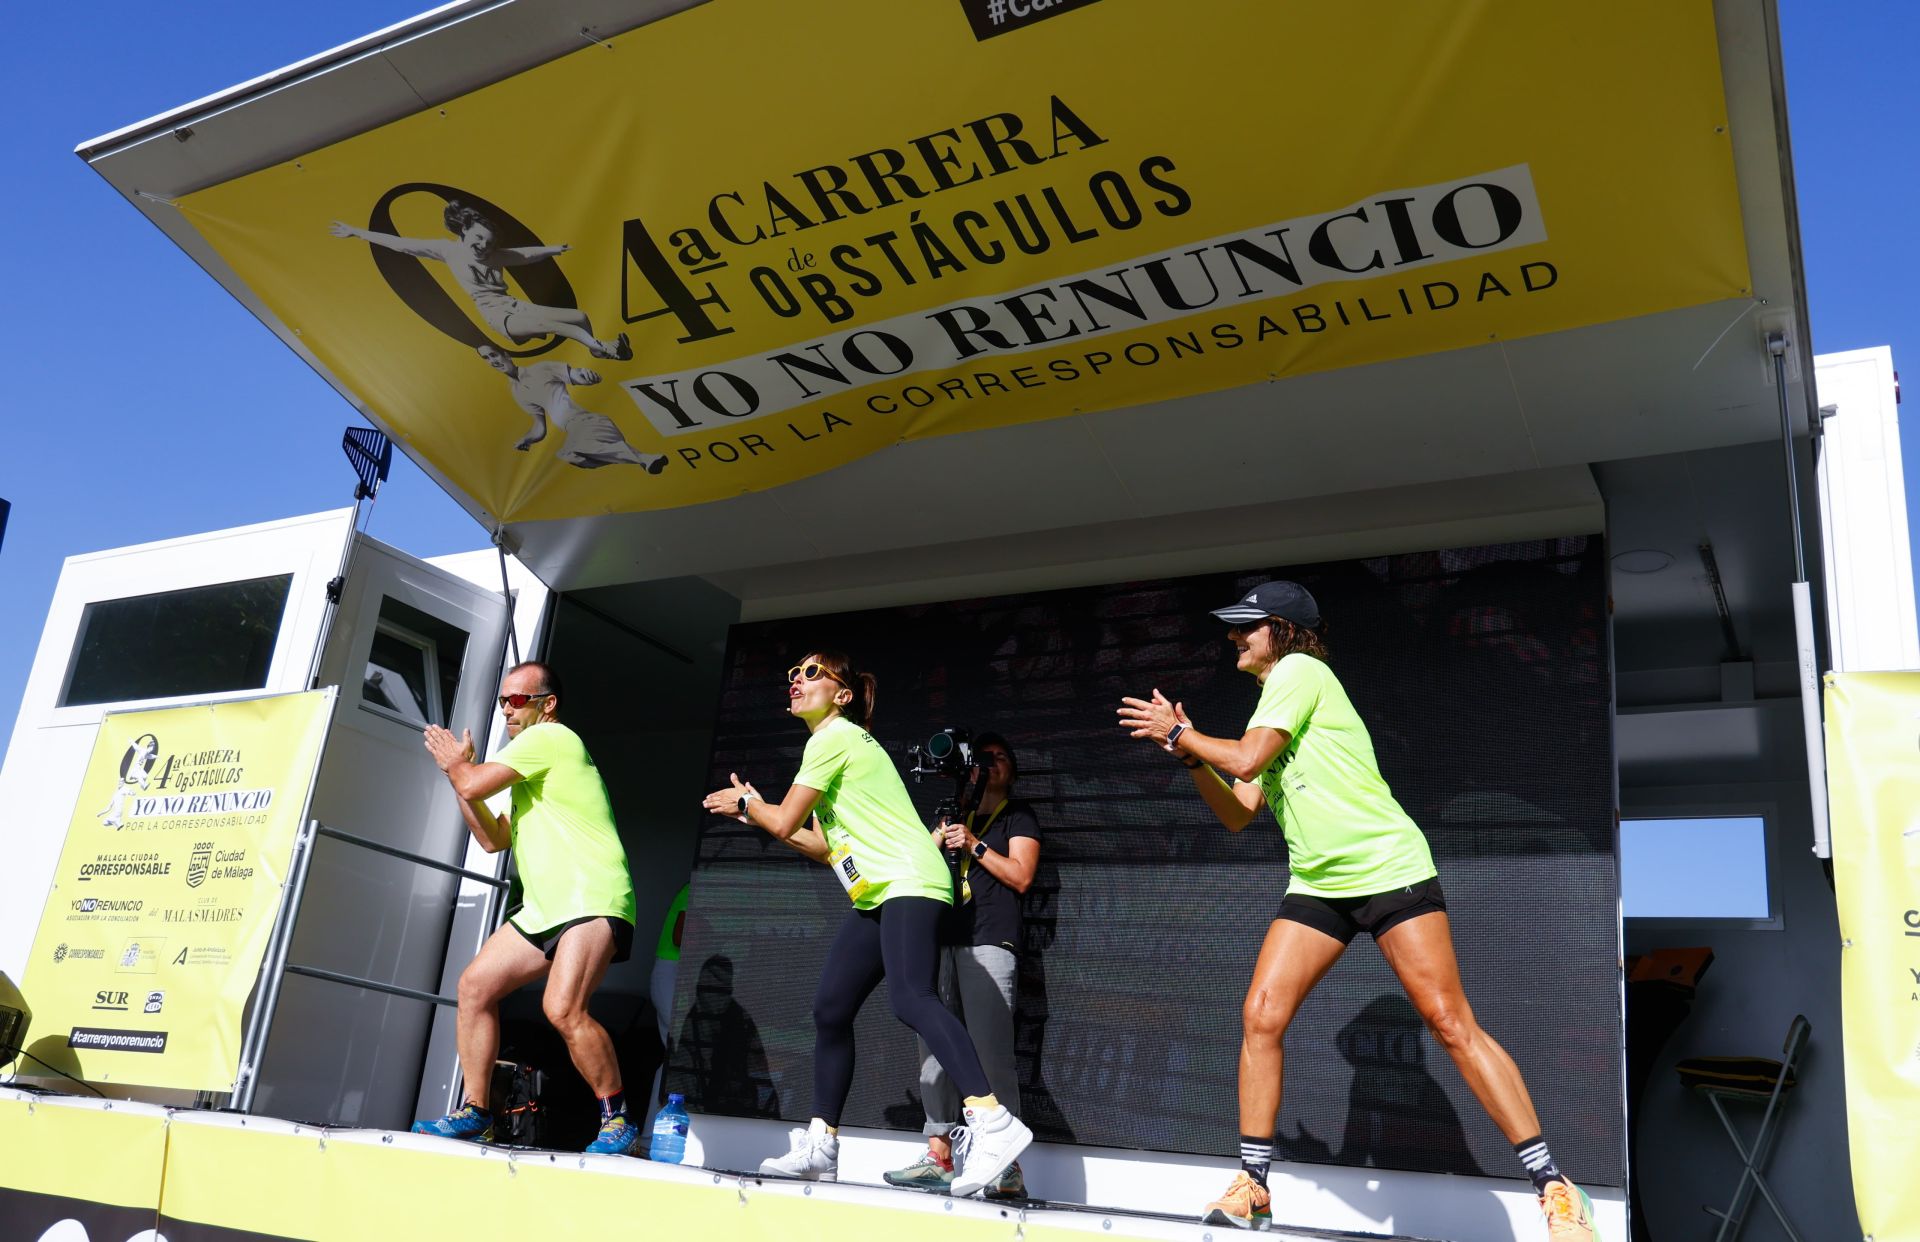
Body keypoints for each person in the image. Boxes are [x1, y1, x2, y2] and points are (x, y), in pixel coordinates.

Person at [1117, 581, 1598, 1240]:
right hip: (1318, 883)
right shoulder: (1273, 700)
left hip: (1388, 868)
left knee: (1451, 1024)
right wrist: (1188, 754)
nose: (1234, 636)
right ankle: (1253, 1184)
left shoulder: (1299, 671)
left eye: (1246, 627)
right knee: (1261, 1014)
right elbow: (1238, 810)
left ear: (1283, 631)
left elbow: (1249, 757)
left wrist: (1184, 732)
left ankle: (1556, 1187)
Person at [700, 652, 1032, 1197]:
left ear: (843, 694)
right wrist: (750, 810)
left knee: (911, 999)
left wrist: (753, 806)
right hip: (876, 892)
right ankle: (821, 1144)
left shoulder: (832, 738)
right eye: (792, 674)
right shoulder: (837, 745)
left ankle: (993, 1123)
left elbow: (783, 820)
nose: (796, 682)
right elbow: (820, 844)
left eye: (811, 674)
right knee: (830, 1008)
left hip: (907, 880)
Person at [413, 660, 642, 1156]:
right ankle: (476, 1111)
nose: (507, 711)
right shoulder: (528, 766)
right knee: (474, 988)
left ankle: (617, 1118)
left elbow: (473, 783)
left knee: (562, 1009)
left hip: (589, 898)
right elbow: (492, 839)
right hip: (544, 909)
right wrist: (460, 777)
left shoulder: (549, 740)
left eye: (517, 701)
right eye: (502, 702)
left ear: (547, 705)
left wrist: (459, 768)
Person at [884, 732, 1040, 1199]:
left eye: (1001, 758)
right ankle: (939, 1154)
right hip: (941, 938)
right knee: (932, 1050)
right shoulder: (953, 813)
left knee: (990, 1051)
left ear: (1012, 770)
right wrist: (940, 835)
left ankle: (1007, 1167)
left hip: (990, 939)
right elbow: (914, 864)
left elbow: (1022, 876)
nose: (991, 764)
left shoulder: (1018, 815)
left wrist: (973, 844)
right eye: (983, 758)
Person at [330, 202, 632, 359]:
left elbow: (524, 255)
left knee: (579, 316)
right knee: (556, 326)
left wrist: (554, 249)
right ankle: (604, 347)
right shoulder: (447, 250)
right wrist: (358, 232)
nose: (483, 247)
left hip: (516, 305)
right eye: (478, 239)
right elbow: (402, 244)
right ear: (463, 231)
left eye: (488, 242)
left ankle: (594, 349)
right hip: (498, 316)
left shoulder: (495, 256)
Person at [476, 344, 667, 472]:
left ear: (506, 355)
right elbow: (540, 427)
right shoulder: (517, 392)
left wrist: (588, 376)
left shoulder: (541, 369)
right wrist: (526, 439)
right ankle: (641, 458)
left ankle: (644, 458)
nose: (492, 360)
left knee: (575, 448)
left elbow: (577, 376)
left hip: (590, 423)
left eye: (494, 354)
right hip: (575, 432)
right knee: (568, 454)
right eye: (486, 358)